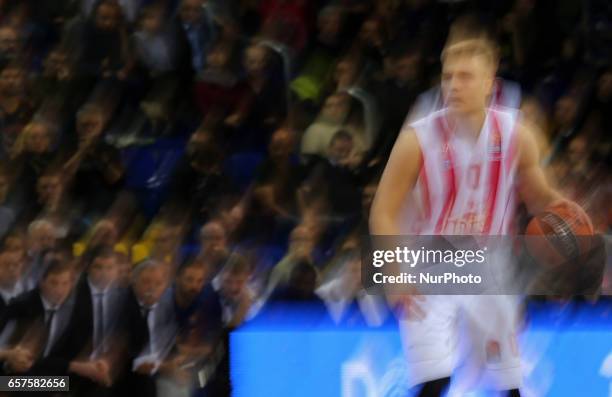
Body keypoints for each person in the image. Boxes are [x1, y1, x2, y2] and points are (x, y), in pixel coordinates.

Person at [369, 17, 581, 397]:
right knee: (433, 383)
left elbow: (538, 197)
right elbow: (382, 210)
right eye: (448, 77)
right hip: (430, 263)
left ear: (489, 84)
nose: (453, 85)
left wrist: (561, 208)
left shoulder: (517, 132)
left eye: (465, 77)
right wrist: (393, 274)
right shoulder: (416, 139)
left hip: (490, 266)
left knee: (509, 384)